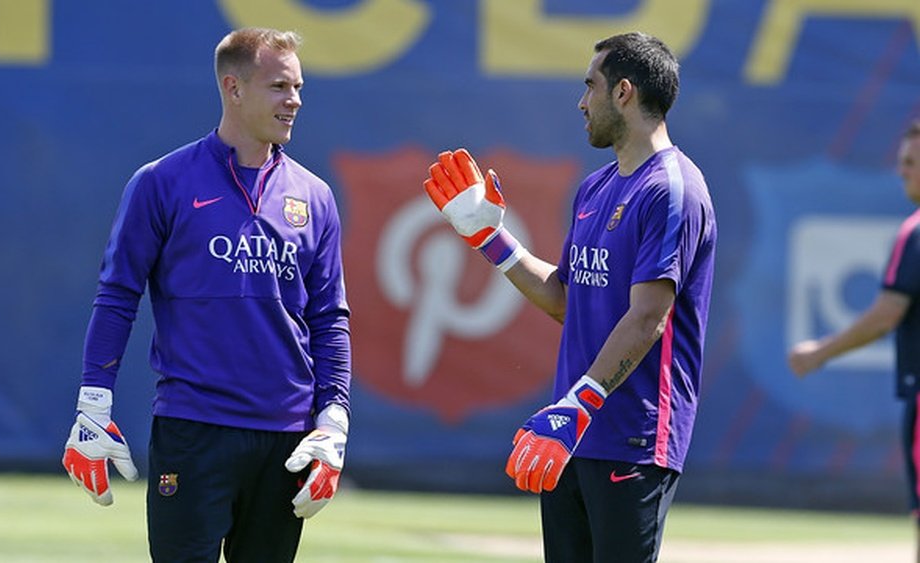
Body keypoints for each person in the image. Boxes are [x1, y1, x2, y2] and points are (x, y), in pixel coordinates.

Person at [60, 27, 352, 563]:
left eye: (299, 87)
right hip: (193, 431)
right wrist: (93, 402)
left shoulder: (315, 196)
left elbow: (329, 317)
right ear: (233, 87)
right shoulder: (162, 182)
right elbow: (118, 294)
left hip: (286, 441)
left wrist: (333, 419)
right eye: (279, 86)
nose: (294, 101)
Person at [423, 32, 716, 562]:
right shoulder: (596, 187)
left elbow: (649, 314)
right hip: (572, 433)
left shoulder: (672, 188)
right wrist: (492, 239)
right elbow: (566, 299)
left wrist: (579, 404)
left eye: (590, 86)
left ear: (624, 92)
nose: (582, 102)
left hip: (633, 434)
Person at [788, 120, 920, 563]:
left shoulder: (915, 231)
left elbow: (886, 314)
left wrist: (819, 353)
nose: (901, 171)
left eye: (910, 163)